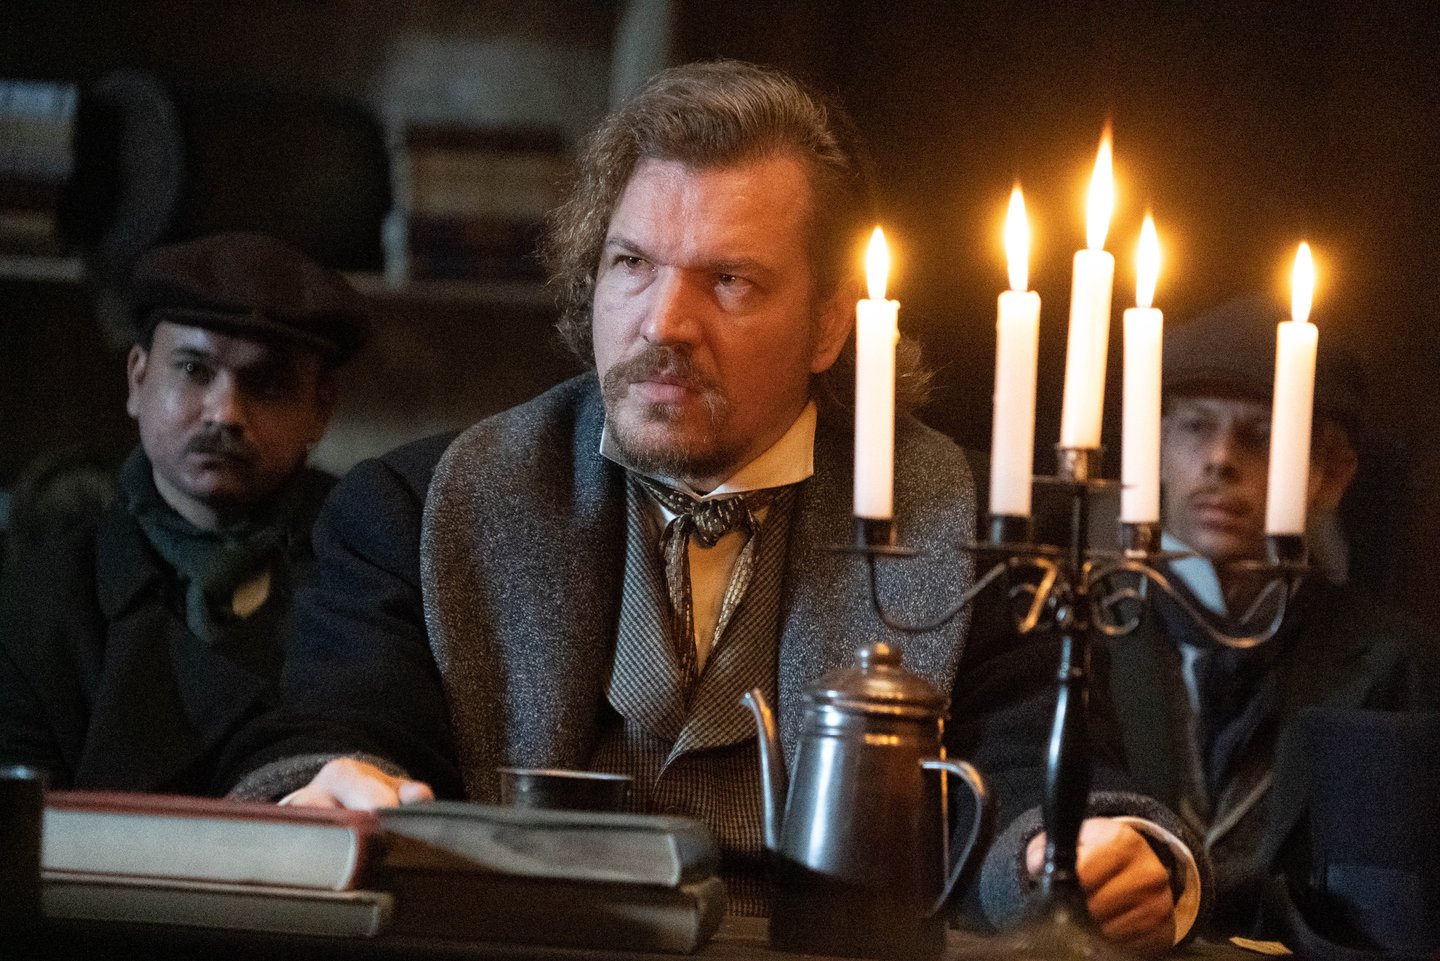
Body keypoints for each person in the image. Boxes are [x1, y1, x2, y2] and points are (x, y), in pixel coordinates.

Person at [225, 62, 1200, 952]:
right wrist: (326, 785)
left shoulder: (975, 521)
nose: (664, 322)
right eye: (632, 264)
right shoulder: (414, 506)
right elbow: (339, 731)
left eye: (729, 280)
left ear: (830, 323)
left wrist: (1088, 853)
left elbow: (1031, 774)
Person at [1102, 295, 1440, 936]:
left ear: (1331, 474)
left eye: (1263, 435)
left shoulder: (1399, 664)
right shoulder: (1082, 636)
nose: (1220, 460)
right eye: (1195, 427)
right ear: (1156, 446)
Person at [0, 231, 370, 795]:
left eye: (267, 384)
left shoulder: (368, 579)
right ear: (138, 378)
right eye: (195, 370)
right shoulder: (41, 598)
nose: (225, 414)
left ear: (320, 412)